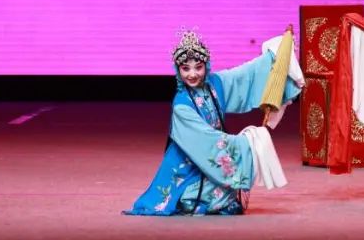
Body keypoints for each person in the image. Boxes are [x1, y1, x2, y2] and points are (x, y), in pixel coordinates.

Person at [124, 29, 302, 216]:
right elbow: (207, 142)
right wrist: (247, 142)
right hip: (188, 166)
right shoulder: (182, 106)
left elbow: (246, 75)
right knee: (198, 198)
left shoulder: (215, 83)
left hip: (210, 160)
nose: (193, 74)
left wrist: (277, 55)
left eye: (198, 67)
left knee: (224, 193)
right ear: (178, 70)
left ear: (206, 66)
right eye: (185, 68)